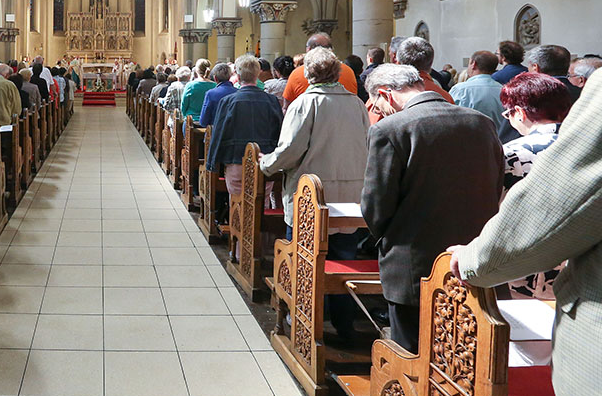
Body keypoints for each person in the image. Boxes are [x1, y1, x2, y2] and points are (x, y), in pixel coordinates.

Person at [448, 74, 602, 396]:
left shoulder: (517, 152)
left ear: (518, 111)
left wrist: (473, 259)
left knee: (520, 340)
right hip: (559, 272)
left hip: (538, 268)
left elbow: (532, 218)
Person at [360, 63, 503, 354]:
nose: (379, 111)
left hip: (412, 262)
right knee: (463, 353)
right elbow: (495, 184)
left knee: (412, 353)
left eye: (376, 104)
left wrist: (389, 238)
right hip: (472, 257)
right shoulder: (480, 122)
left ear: (385, 95)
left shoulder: (391, 129)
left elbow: (376, 204)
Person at [259, 47, 370, 337]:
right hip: (349, 198)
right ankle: (344, 326)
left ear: (308, 74)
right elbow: (366, 145)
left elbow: (290, 151)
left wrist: (266, 165)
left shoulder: (304, 104)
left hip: (310, 197)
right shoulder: (356, 104)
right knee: (344, 260)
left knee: (304, 258)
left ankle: (304, 321)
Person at [495, 72, 573, 298]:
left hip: (524, 266)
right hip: (577, 263)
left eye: (508, 113)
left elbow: (497, 210)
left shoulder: (511, 154)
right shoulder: (586, 148)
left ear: (519, 113)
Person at [208, 55, 283, 221]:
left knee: (237, 206)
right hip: (264, 161)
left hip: (235, 160)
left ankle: (238, 246)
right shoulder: (271, 101)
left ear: (238, 76)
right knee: (260, 205)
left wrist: (212, 163)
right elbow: (279, 132)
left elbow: (219, 132)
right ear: (257, 75)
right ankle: (258, 245)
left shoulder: (228, 101)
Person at [367, 36, 453, 124]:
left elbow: (370, 126)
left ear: (398, 61)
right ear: (430, 63)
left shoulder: (386, 96)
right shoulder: (446, 97)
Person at [281, 33, 359, 104]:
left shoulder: (297, 73)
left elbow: (286, 106)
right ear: (331, 49)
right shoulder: (348, 71)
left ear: (308, 49)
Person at [449, 50, 505, 129]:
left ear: (473, 64)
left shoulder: (460, 90)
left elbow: (448, 118)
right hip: (498, 139)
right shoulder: (503, 90)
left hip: (468, 139)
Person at [198, 62, 236, 126]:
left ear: (215, 78)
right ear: (229, 77)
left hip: (216, 132)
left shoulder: (211, 94)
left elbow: (203, 121)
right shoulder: (238, 92)